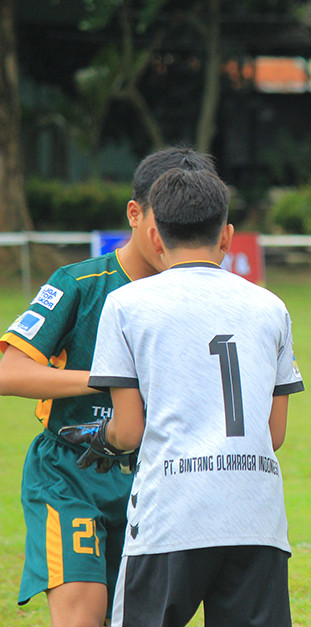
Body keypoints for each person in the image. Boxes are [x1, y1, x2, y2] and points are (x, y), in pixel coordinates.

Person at [62, 167, 304, 626]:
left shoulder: (127, 304)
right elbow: (273, 434)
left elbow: (129, 430)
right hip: (256, 517)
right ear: (228, 236)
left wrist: (102, 438)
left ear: (154, 236)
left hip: (170, 515)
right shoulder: (270, 305)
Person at [0, 147, 214, 627]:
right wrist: (110, 379)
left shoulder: (199, 296)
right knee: (83, 615)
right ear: (135, 214)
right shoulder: (79, 283)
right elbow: (8, 373)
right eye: (166, 222)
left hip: (156, 479)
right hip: (71, 473)